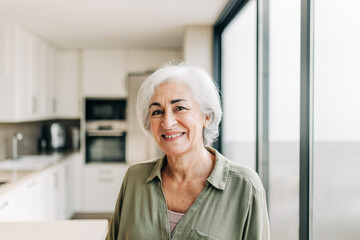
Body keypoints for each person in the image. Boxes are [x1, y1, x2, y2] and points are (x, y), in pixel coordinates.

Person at [106, 62, 270, 240]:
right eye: (157, 111)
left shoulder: (245, 186)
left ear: (206, 116)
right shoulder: (135, 178)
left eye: (180, 108)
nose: (167, 123)